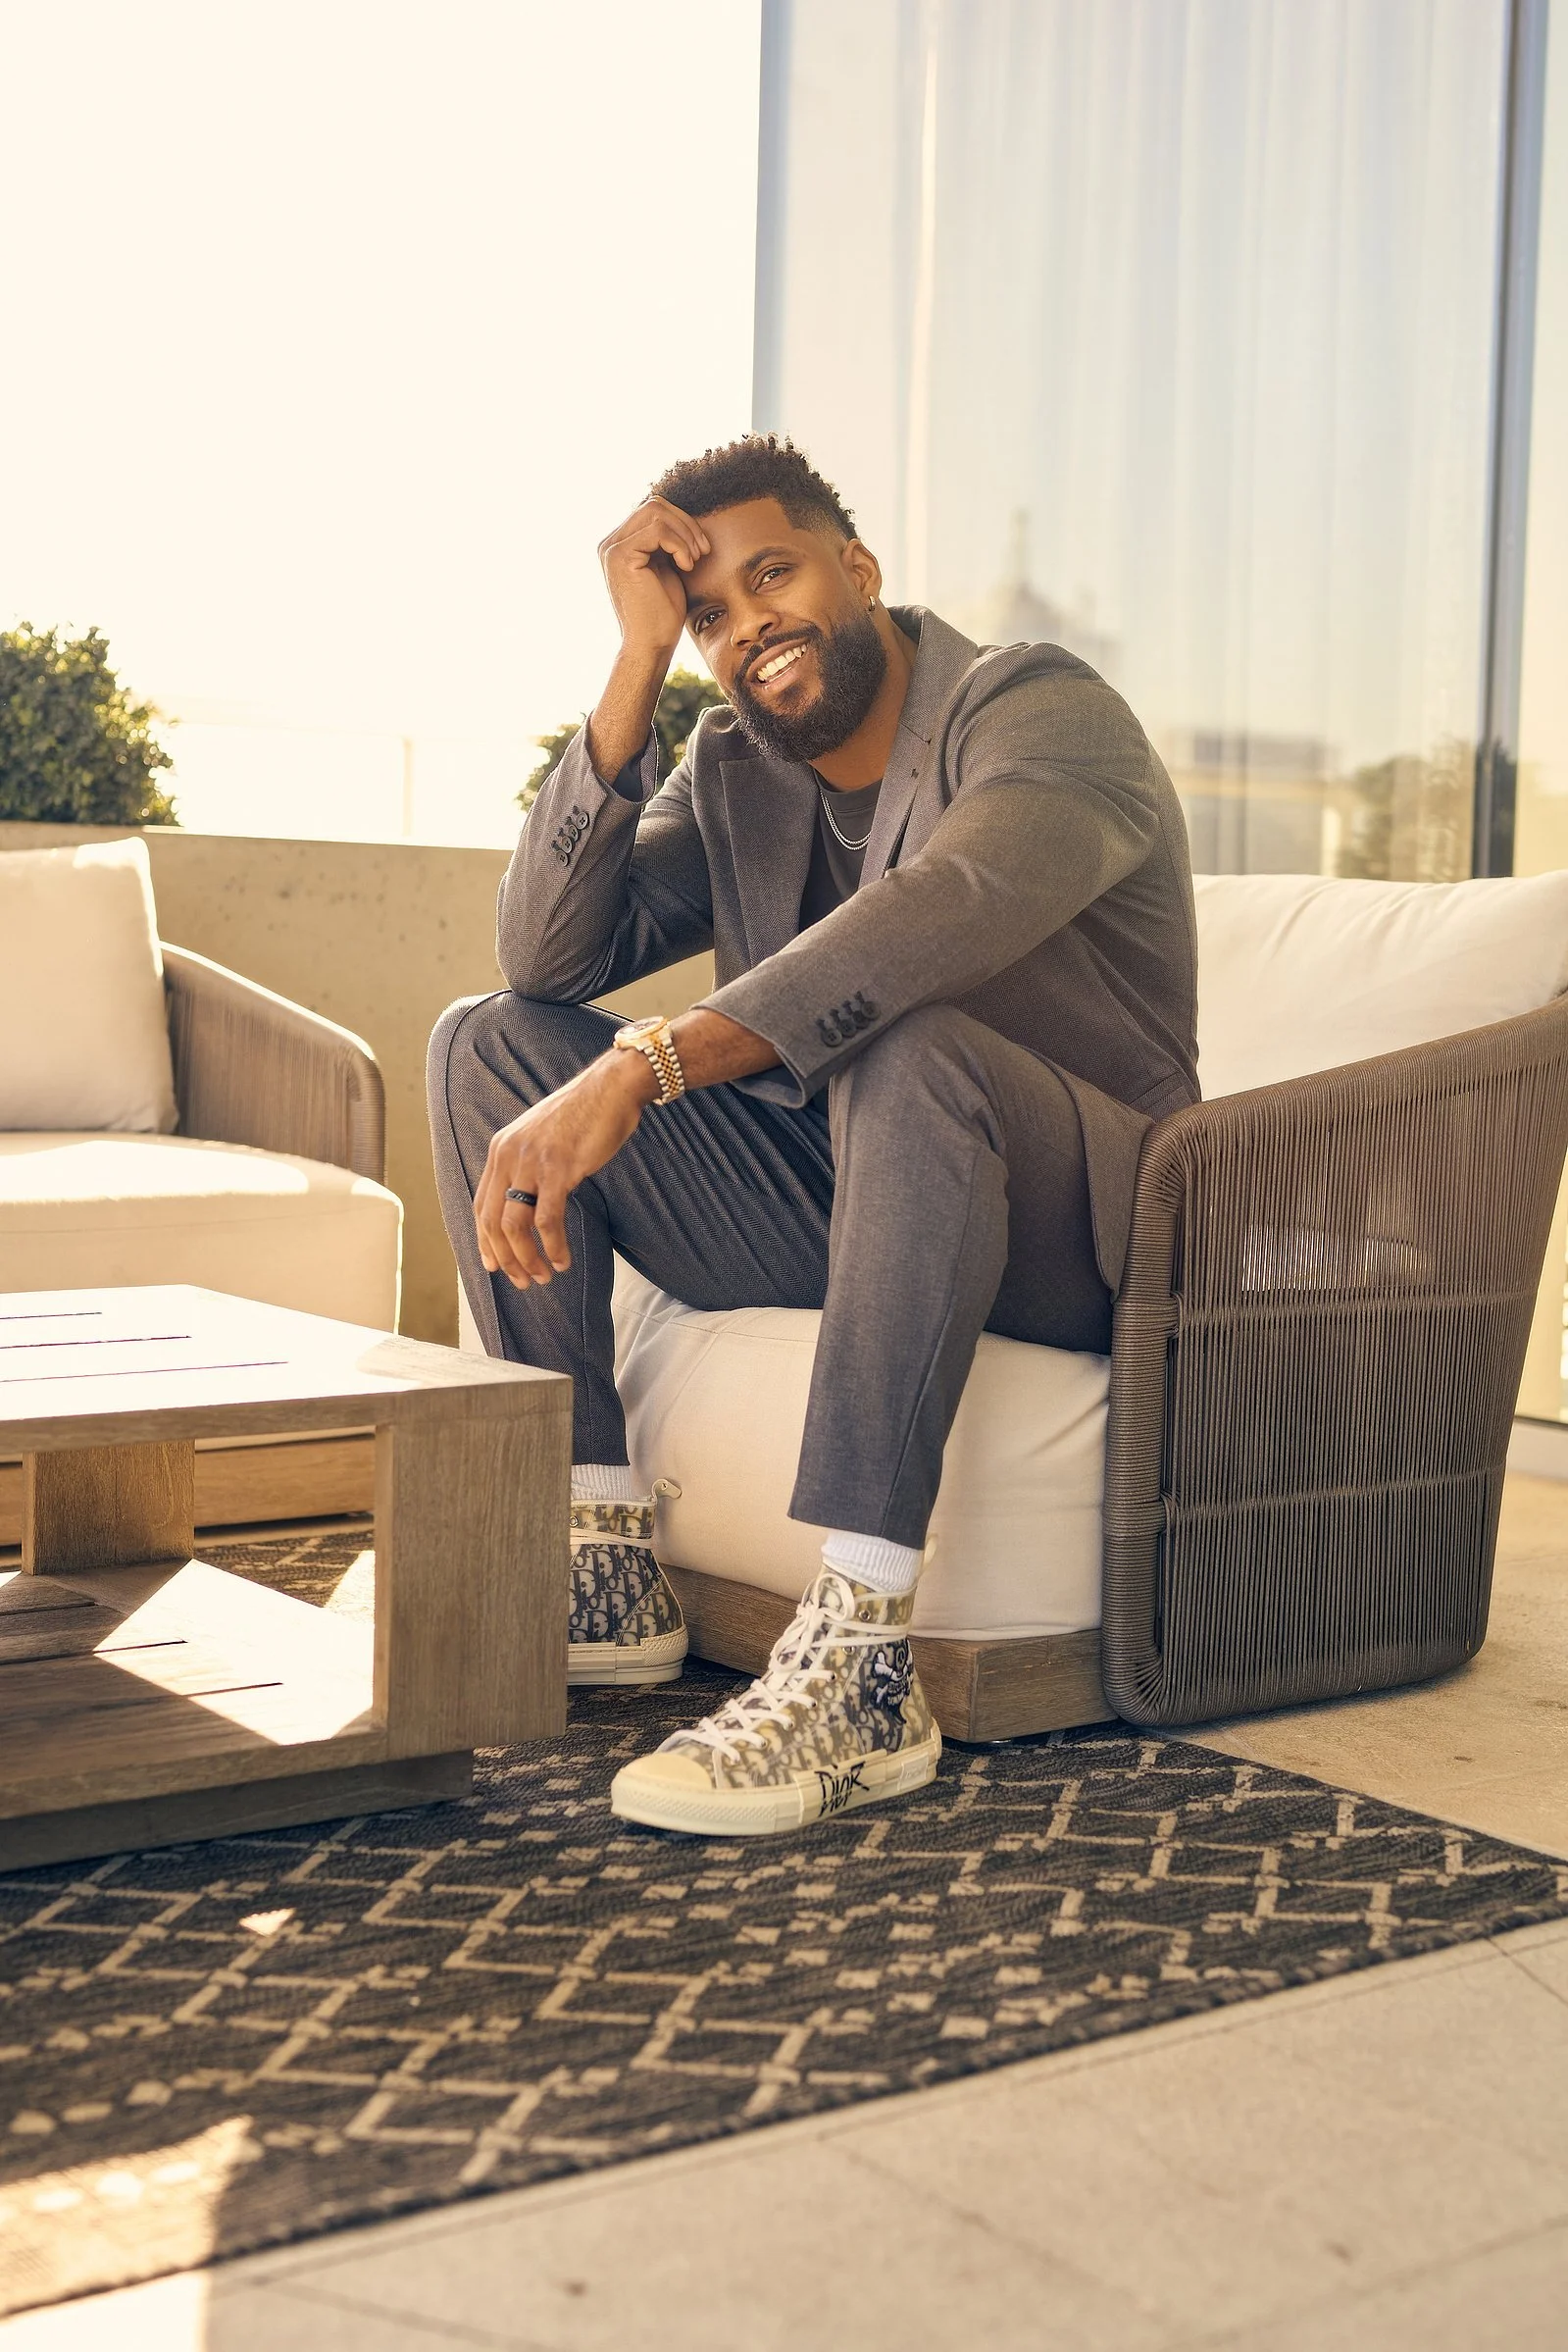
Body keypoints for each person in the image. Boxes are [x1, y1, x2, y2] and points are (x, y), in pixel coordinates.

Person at [428, 435, 1197, 1838]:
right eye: (710, 614)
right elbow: (548, 957)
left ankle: (858, 1660)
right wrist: (634, 670)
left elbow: (946, 909)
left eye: (768, 576)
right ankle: (597, 1554)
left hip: (1088, 1220)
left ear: (857, 567)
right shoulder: (735, 763)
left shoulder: (1032, 705)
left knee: (912, 1039)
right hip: (856, 1194)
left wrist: (653, 1061)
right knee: (489, 1041)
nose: (746, 631)